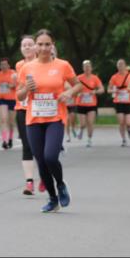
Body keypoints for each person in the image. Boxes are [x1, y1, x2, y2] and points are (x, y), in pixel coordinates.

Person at [16, 29, 82, 213]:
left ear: (53, 45)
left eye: (47, 44)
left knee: (50, 157)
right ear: (35, 46)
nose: (44, 48)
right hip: (34, 119)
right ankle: (53, 198)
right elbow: (19, 95)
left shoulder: (62, 65)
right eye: (40, 44)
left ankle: (60, 184)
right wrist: (26, 89)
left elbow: (78, 85)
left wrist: (69, 93)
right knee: (41, 161)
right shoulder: (27, 68)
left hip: (55, 118)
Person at [14, 36, 41, 195]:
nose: (27, 47)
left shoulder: (42, 63)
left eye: (30, 44)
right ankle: (29, 182)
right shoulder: (19, 65)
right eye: (24, 45)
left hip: (39, 109)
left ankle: (44, 175)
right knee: (27, 145)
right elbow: (19, 87)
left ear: (36, 47)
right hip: (22, 108)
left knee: (40, 146)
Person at [74, 60, 104, 147]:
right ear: (83, 68)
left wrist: (95, 92)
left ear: (91, 68)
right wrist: (78, 93)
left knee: (90, 122)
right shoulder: (78, 78)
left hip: (92, 104)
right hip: (80, 104)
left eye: (88, 66)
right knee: (83, 124)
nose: (87, 68)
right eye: (85, 67)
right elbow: (72, 89)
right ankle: (81, 129)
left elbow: (102, 89)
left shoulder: (95, 78)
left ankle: (89, 139)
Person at [108, 59, 130, 147]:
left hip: (128, 101)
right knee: (121, 122)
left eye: (122, 64)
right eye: (119, 65)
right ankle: (124, 139)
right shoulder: (114, 77)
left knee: (128, 122)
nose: (120, 66)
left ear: (125, 65)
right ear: (117, 66)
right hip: (118, 102)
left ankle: (129, 129)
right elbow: (109, 90)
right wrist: (115, 91)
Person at [0, 58, 18, 150]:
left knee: (11, 121)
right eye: (1, 64)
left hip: (12, 98)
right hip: (1, 98)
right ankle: (4, 140)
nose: (3, 66)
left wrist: (9, 85)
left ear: (8, 65)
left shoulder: (13, 73)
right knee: (3, 119)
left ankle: (10, 138)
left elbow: (16, 85)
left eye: (5, 64)